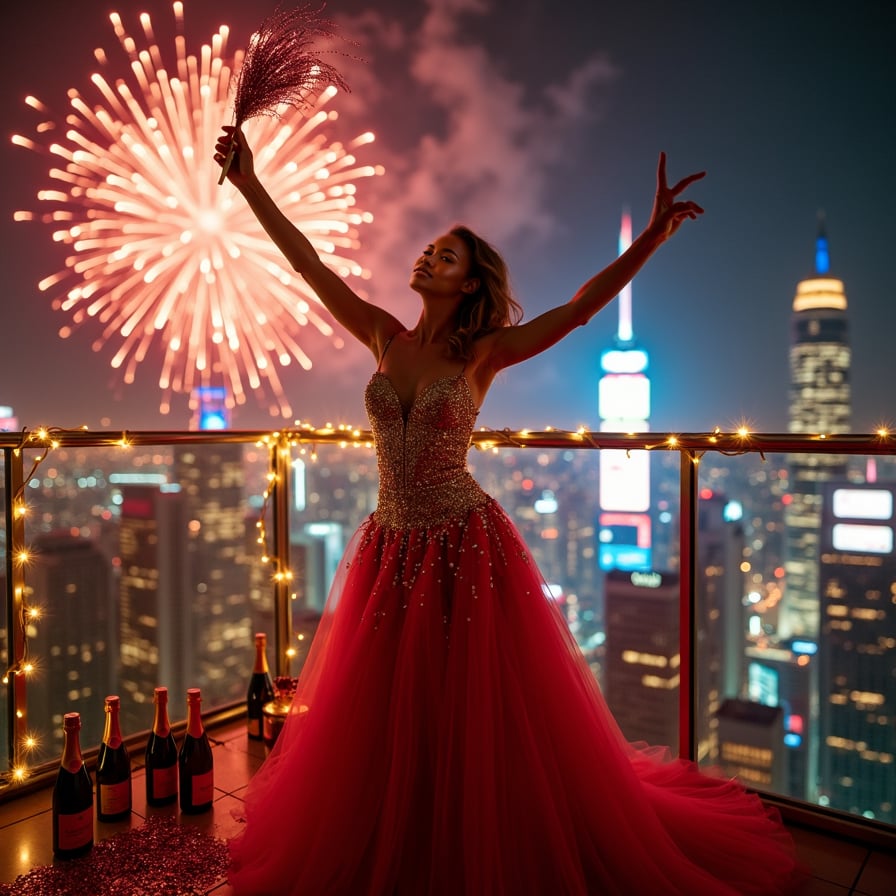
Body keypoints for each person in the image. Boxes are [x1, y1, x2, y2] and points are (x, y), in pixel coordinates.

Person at [215, 126, 807, 895]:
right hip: (390, 546)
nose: (428, 258)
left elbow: (581, 309)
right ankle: (408, 832)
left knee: (475, 712)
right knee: (393, 712)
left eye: (446, 257)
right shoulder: (382, 334)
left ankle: (470, 844)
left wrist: (653, 237)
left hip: (462, 542)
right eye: (430, 250)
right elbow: (307, 265)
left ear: (469, 285)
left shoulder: (483, 352)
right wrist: (250, 183)